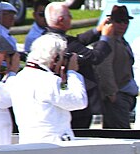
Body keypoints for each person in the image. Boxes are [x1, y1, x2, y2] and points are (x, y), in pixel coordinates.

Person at [44, 1, 114, 129]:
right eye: (69, 16)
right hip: (77, 105)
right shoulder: (63, 43)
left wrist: (97, 30)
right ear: (61, 20)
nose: (72, 18)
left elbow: (77, 40)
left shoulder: (47, 37)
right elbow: (95, 57)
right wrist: (105, 37)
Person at [8, 33, 87, 143]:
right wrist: (73, 73)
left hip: (29, 142)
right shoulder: (48, 80)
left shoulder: (19, 78)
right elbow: (79, 101)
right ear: (55, 57)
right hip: (54, 145)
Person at [94, 5, 138, 129]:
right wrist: (111, 93)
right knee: (122, 133)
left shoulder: (122, 40)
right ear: (111, 22)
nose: (123, 25)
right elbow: (104, 67)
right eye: (119, 21)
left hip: (124, 95)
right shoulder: (108, 40)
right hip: (117, 96)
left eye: (126, 21)